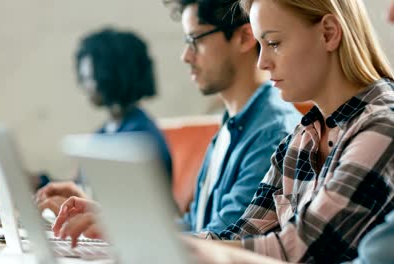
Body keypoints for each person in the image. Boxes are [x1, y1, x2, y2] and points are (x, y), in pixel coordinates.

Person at [49, 0, 302, 243]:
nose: (185, 56)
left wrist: (124, 233)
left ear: (245, 38)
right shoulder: (231, 124)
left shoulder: (272, 132)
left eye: (195, 40)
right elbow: (194, 226)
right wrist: (111, 220)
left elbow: (224, 238)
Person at [184, 0, 394, 263]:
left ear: (329, 33)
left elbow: (300, 250)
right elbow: (242, 233)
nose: (262, 63)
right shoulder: (302, 136)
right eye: (260, 45)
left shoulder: (384, 125)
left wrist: (182, 250)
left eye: (273, 43)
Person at [36, 28, 172, 214]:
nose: (83, 86)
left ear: (111, 75)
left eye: (89, 78)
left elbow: (137, 211)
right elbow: (83, 189)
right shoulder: (106, 131)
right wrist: (41, 182)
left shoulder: (141, 138)